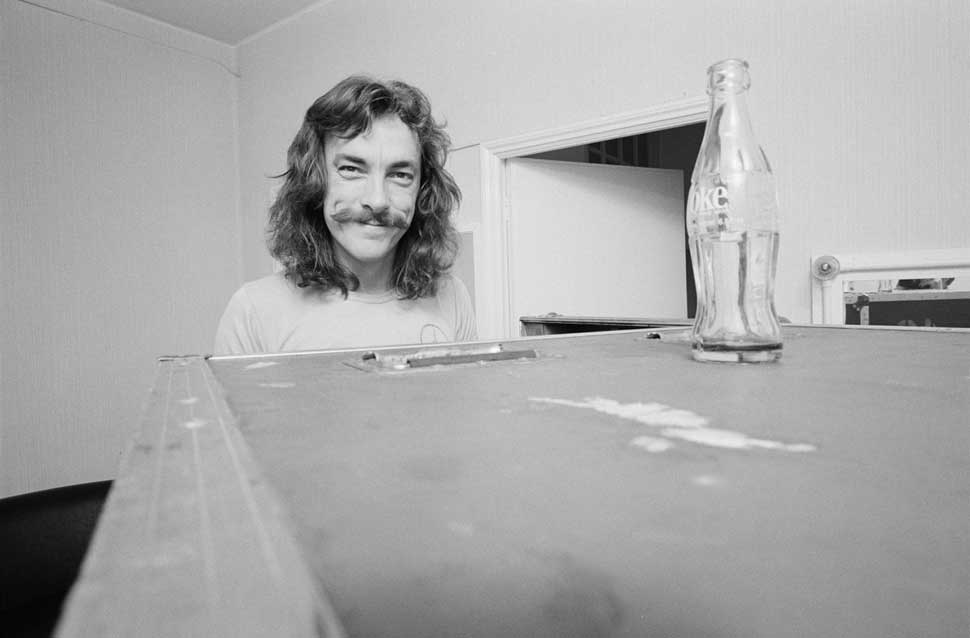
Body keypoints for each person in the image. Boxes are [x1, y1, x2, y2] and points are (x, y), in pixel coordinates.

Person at [213, 76, 477, 354]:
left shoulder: (452, 297)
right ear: (315, 181)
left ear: (422, 191)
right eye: (351, 169)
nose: (377, 200)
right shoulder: (254, 312)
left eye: (400, 175)